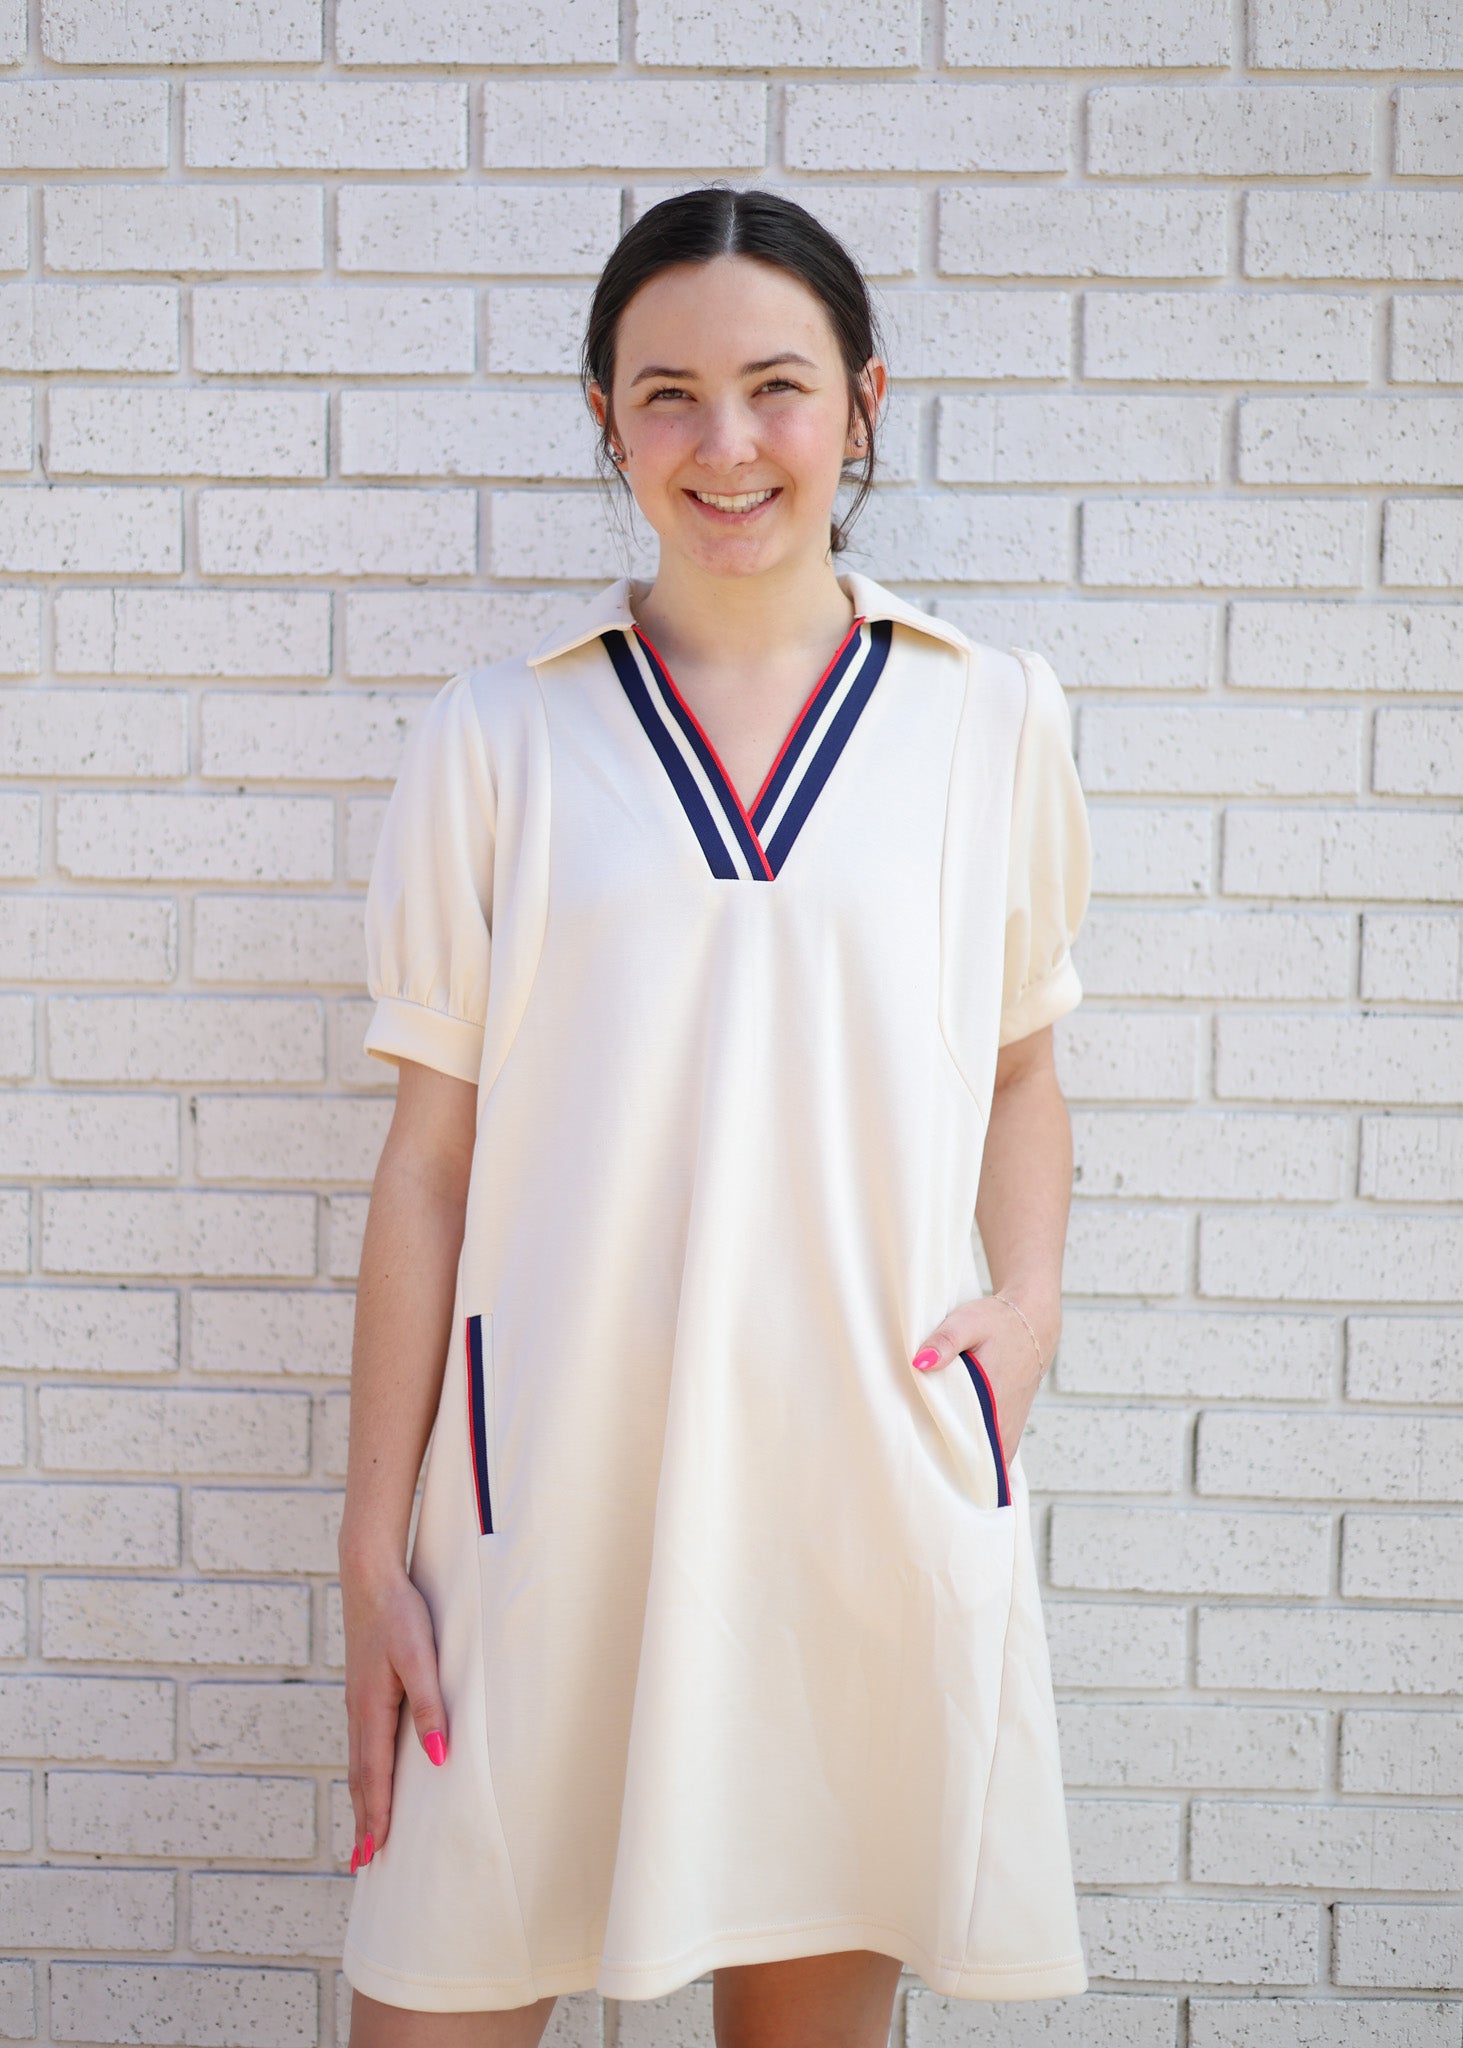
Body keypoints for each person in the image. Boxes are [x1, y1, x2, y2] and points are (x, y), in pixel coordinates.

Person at [338, 183, 1093, 2048]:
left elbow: (1020, 1067)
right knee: (437, 1992)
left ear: (863, 404)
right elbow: (428, 1169)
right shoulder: (493, 738)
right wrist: (372, 1544)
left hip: (855, 1482)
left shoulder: (993, 719)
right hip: (545, 1497)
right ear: (606, 422)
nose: (728, 442)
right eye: (667, 394)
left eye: (777, 385)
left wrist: (1031, 1305)